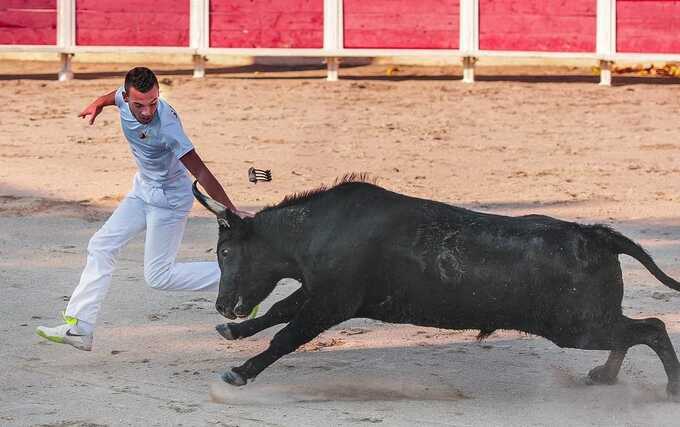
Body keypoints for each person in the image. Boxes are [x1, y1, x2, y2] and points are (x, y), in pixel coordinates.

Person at [36, 67, 250, 351]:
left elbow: (201, 171)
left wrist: (230, 210)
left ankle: (242, 280)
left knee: (159, 277)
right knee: (101, 245)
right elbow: (112, 96)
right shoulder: (123, 99)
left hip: (170, 199)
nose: (148, 111)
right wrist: (97, 104)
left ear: (159, 95)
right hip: (142, 190)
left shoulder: (167, 126)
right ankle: (80, 328)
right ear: (128, 97)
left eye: (153, 103)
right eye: (140, 104)